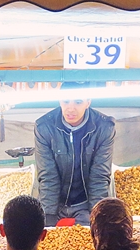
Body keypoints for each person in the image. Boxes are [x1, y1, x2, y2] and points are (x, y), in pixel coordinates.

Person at [34, 81, 115, 227]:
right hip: (55, 203)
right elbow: (47, 175)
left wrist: (97, 215)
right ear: (59, 100)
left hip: (86, 204)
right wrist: (48, 215)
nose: (70, 108)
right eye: (65, 101)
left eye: (78, 102)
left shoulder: (104, 128)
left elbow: (99, 176)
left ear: (88, 102)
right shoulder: (44, 127)